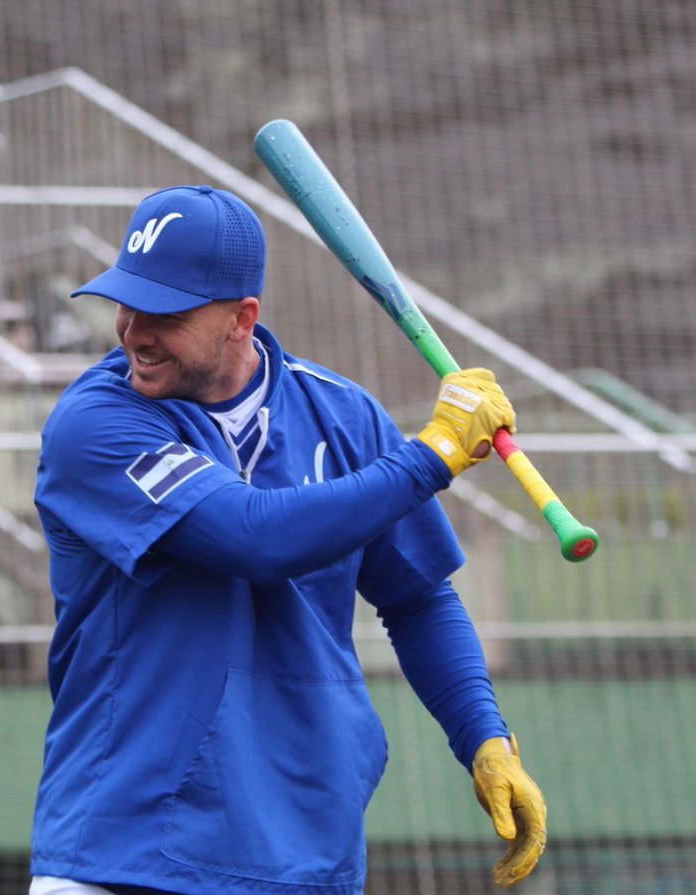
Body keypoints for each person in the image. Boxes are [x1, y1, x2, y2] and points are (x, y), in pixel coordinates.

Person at [30, 185, 547, 895]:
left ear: (243, 318)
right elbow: (253, 535)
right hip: (127, 852)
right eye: (126, 301)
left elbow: (418, 597)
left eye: (166, 313)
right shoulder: (95, 421)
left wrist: (483, 737)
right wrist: (430, 456)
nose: (134, 330)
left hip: (302, 854)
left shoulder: (343, 415)